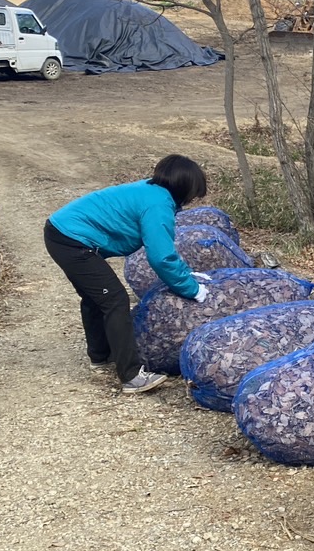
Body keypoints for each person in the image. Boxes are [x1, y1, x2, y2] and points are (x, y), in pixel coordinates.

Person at [43, 155, 211, 395]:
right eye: (194, 194)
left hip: (62, 232)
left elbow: (164, 251)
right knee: (115, 299)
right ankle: (131, 376)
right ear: (185, 187)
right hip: (71, 240)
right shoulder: (157, 204)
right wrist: (191, 288)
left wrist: (185, 273)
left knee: (97, 297)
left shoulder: (150, 190)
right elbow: (161, 257)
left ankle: (101, 356)